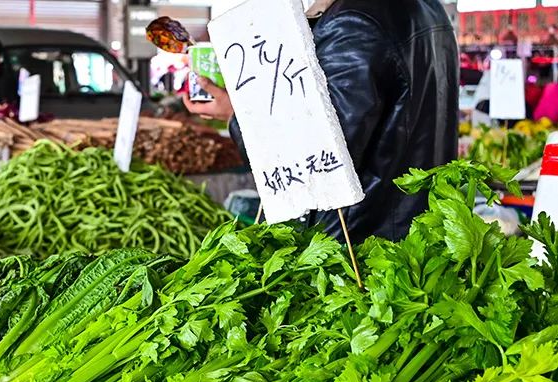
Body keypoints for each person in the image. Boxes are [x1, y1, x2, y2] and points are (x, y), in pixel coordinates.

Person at [185, 0, 458, 242]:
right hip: (415, 233)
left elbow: (316, 166)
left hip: (364, 242)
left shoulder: (353, 22)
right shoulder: (428, 8)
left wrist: (235, 115)